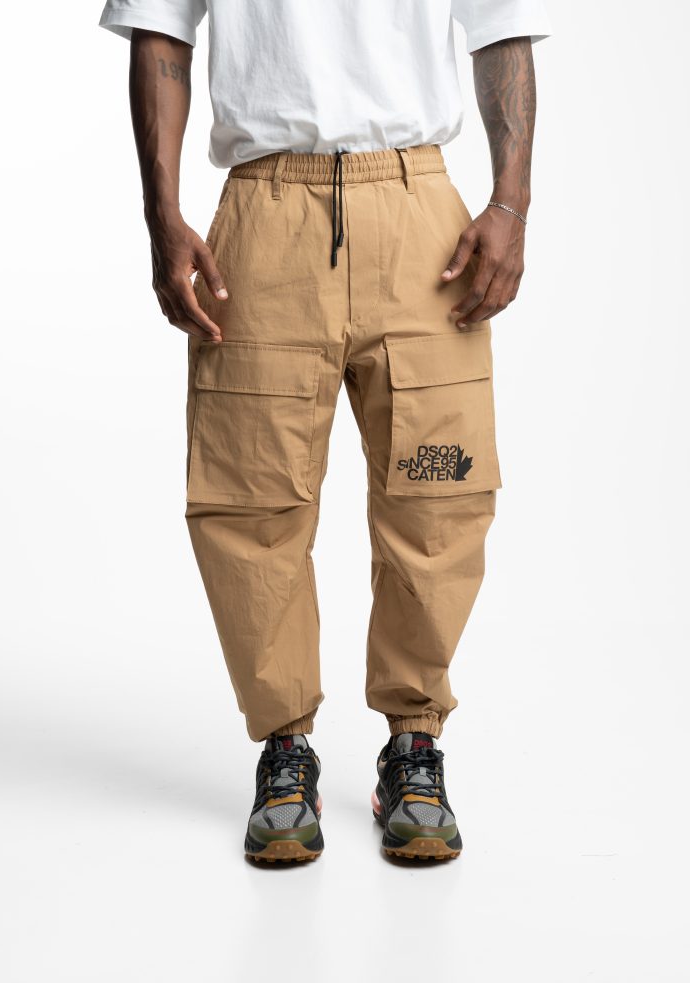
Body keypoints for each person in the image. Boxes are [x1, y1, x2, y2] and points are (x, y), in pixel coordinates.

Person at [98, 0, 551, 863]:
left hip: (419, 212)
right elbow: (161, 27)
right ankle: (285, 750)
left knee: (439, 494)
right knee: (250, 501)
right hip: (264, 208)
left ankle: (414, 745)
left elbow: (502, 25)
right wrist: (162, 214)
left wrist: (513, 202)